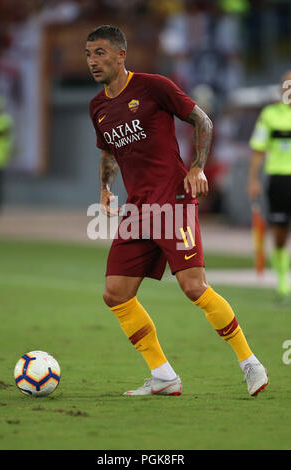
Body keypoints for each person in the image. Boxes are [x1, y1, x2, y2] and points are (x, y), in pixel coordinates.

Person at [87, 25, 268, 397]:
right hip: (138, 208)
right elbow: (108, 150)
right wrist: (105, 188)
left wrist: (198, 167)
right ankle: (164, 375)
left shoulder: (154, 86)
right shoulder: (98, 107)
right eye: (89, 54)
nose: (93, 61)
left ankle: (250, 363)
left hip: (173, 199)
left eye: (100, 53)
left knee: (193, 286)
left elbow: (202, 120)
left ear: (121, 56)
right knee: (116, 293)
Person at [248, 71, 291, 299]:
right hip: (280, 179)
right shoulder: (270, 115)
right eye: (287, 85)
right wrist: (253, 179)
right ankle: (283, 279)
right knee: (280, 232)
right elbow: (258, 149)